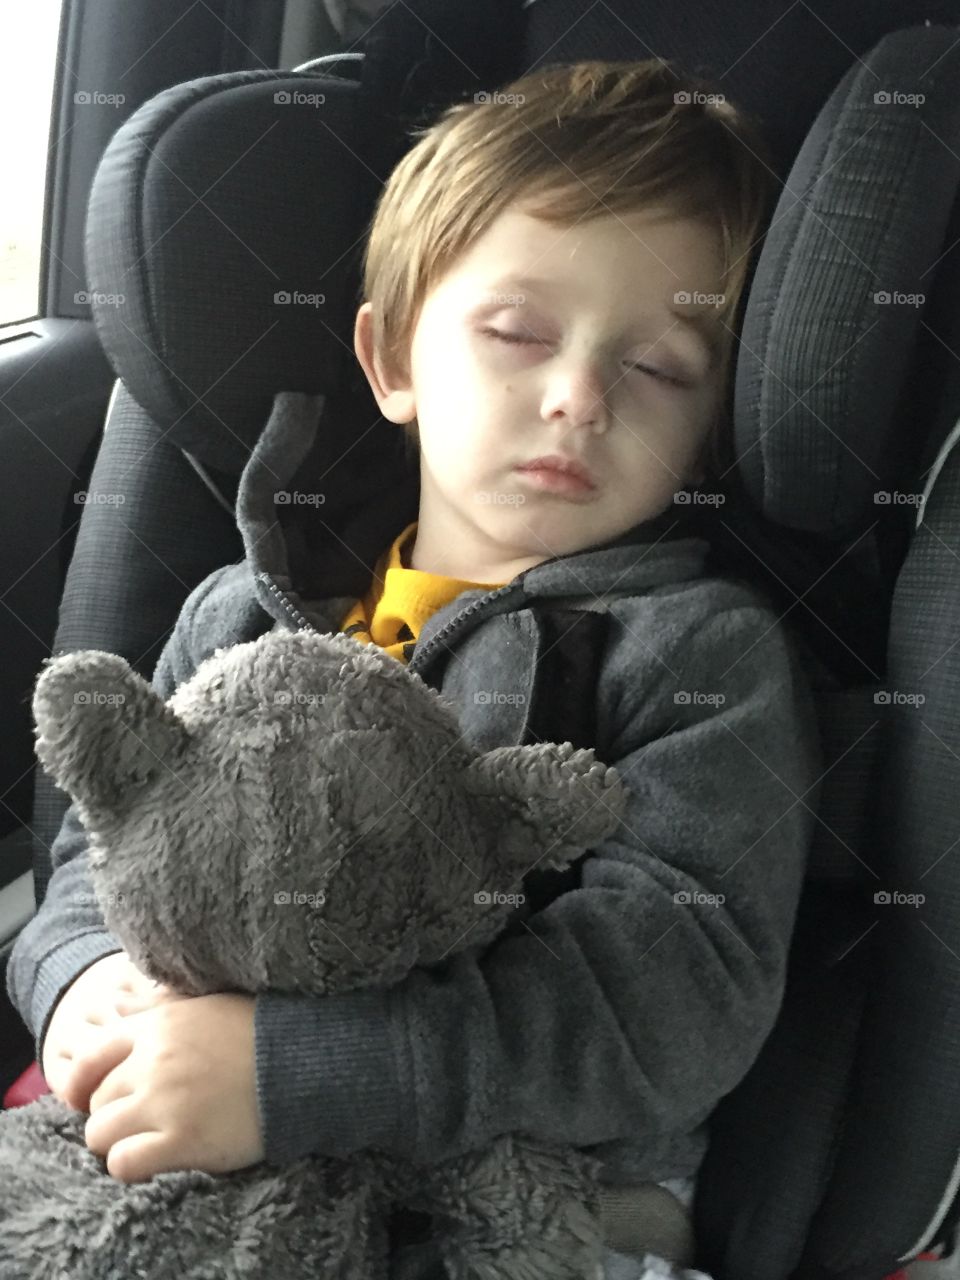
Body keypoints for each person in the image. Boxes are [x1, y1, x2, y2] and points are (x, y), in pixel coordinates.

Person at [7, 58, 823, 1280]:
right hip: (180, 1126)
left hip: (537, 1194)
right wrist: (82, 981)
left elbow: (677, 987)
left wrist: (305, 1074)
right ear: (391, 361)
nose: (576, 397)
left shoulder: (699, 652)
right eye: (517, 332)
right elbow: (95, 850)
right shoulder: (242, 611)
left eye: (657, 367)